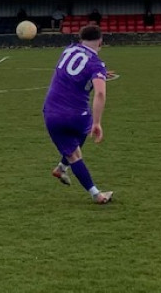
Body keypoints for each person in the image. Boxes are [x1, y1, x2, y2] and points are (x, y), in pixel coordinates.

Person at [43, 24, 113, 204]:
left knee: (72, 151)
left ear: (81, 39)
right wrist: (97, 123)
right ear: (100, 42)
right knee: (80, 141)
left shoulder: (69, 49)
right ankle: (97, 194)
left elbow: (72, 70)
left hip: (52, 112)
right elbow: (100, 93)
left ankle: (61, 167)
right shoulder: (96, 64)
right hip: (78, 116)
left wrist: (102, 75)